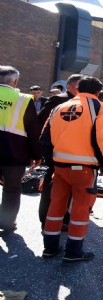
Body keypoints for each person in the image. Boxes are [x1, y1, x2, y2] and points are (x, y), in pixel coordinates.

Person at [41, 76, 103, 262]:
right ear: (98, 92)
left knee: (56, 206)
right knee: (80, 208)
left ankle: (50, 248)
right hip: (84, 168)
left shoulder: (59, 107)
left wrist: (52, 161)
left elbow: (45, 137)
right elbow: (101, 139)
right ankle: (74, 252)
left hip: (60, 166)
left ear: (77, 88)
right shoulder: (100, 108)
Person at [37, 74, 82, 228]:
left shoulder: (84, 103)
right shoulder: (59, 100)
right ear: (69, 86)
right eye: (78, 86)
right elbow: (42, 122)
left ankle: (63, 218)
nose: (80, 89)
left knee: (67, 191)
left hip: (73, 153)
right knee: (51, 188)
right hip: (56, 151)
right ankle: (46, 219)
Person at [0, 66, 41, 232]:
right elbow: (33, 130)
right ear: (15, 81)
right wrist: (37, 154)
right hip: (14, 152)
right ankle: (6, 222)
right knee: (12, 189)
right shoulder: (23, 99)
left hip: (13, 151)